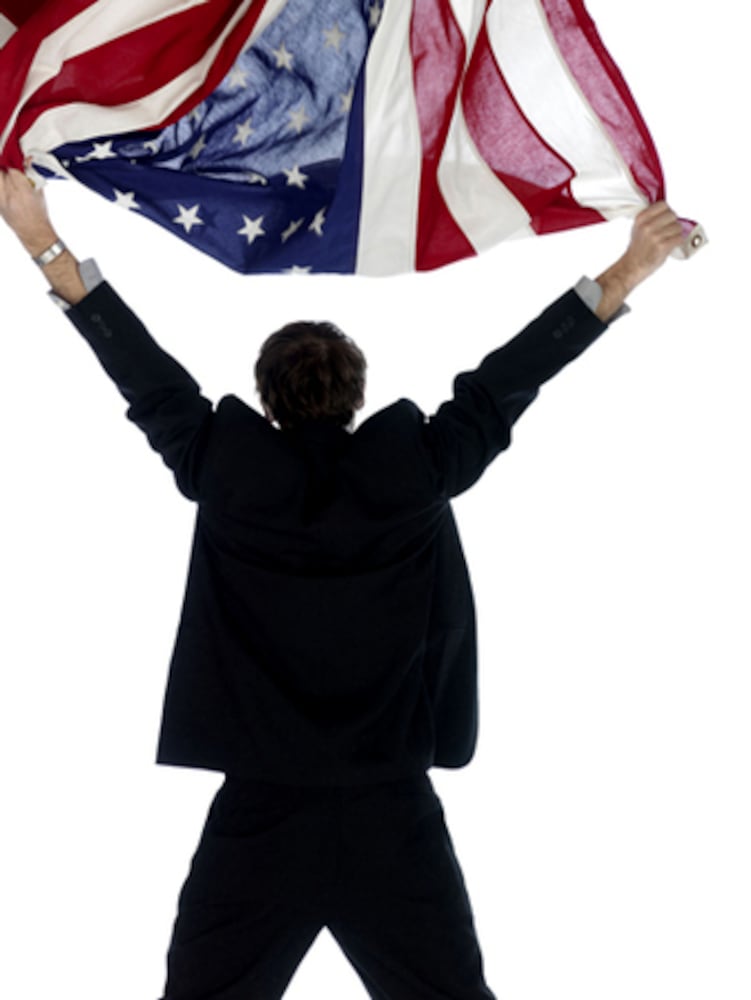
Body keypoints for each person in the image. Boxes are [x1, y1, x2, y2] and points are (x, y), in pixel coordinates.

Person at [0, 166, 685, 1000]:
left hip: (259, 816)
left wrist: (40, 238)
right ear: (355, 398)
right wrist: (628, 268)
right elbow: (509, 379)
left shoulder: (223, 467)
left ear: (268, 400)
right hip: (391, 815)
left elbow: (140, 371)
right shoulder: (418, 470)